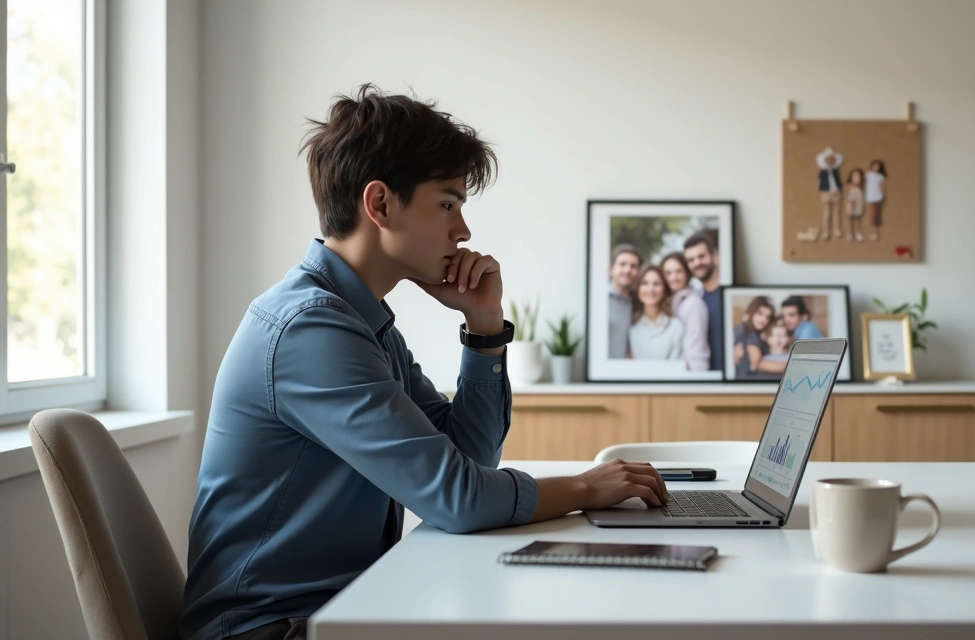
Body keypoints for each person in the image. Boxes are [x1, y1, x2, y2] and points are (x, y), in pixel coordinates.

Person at [179, 84, 668, 640]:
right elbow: (459, 499)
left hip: (341, 609)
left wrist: (484, 328)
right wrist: (585, 488)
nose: (463, 231)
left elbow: (469, 462)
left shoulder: (363, 324)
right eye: (447, 204)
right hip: (269, 629)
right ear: (380, 205)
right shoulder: (310, 330)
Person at [660, 252, 710, 370]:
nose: (674, 277)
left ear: (687, 273)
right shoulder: (670, 302)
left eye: (679, 271)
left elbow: (697, 351)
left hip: (690, 373)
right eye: (668, 273)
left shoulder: (693, 304)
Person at [750, 297, 823, 375]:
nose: (786, 320)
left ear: (804, 316)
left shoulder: (807, 331)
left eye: (791, 315)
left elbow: (802, 366)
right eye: (784, 316)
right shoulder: (796, 331)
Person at [683, 232, 724, 371]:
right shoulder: (695, 300)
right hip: (705, 377)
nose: (697, 263)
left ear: (715, 256)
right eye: (691, 260)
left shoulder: (727, 295)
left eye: (701, 256)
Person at [628, 265, 685, 360]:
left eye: (656, 284)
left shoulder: (676, 327)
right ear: (638, 289)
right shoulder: (632, 327)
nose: (650, 289)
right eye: (645, 283)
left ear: (664, 289)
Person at [607, 244, 641, 359]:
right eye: (622, 264)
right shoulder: (600, 302)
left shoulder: (639, 303)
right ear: (610, 270)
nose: (628, 270)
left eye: (633, 266)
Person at [732, 296, 774, 380]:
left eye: (767, 317)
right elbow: (756, 363)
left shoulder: (741, 328)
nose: (763, 320)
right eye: (759, 313)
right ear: (751, 311)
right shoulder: (749, 332)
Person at [816, 147, 844, 240]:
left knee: (837, 212)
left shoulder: (835, 170)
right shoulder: (823, 171)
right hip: (826, 192)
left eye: (832, 159)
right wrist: (822, 191)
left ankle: (837, 230)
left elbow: (838, 180)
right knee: (826, 213)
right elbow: (819, 181)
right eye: (828, 159)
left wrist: (839, 188)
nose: (830, 161)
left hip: (836, 192)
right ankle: (826, 231)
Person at [866, 159, 887, 241]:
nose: (876, 168)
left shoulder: (880, 176)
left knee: (875, 214)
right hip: (869, 196)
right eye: (874, 166)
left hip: (877, 197)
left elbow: (882, 187)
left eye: (877, 167)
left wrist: (882, 195)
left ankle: (875, 232)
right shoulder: (868, 175)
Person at [845, 168, 866, 242]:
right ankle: (850, 233)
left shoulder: (861, 188)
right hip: (852, 205)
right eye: (854, 177)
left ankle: (858, 233)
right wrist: (850, 205)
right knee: (850, 220)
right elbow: (851, 197)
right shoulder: (851, 187)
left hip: (858, 206)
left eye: (858, 177)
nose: (856, 179)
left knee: (857, 220)